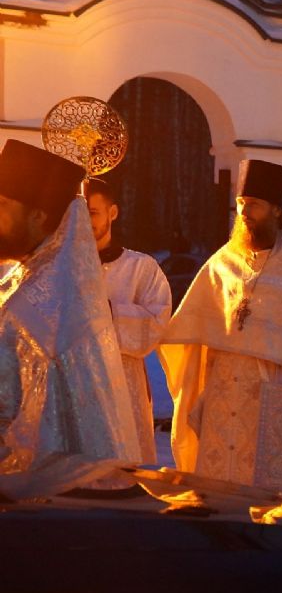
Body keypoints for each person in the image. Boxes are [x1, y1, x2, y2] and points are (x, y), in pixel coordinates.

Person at [159, 160, 282, 495]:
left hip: (274, 396)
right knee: (217, 489)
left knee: (266, 495)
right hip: (222, 391)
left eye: (255, 206)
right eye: (242, 204)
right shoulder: (223, 262)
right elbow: (192, 325)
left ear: (276, 209)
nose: (244, 213)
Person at [0, 139, 136, 494]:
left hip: (40, 491)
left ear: (38, 216)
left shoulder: (38, 297)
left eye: (2, 205)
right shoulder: (39, 276)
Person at [86, 178, 172, 463]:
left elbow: (157, 321)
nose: (85, 220)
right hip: (75, 385)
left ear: (113, 213)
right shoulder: (58, 267)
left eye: (93, 212)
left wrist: (109, 312)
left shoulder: (141, 268)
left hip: (124, 383)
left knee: (124, 468)